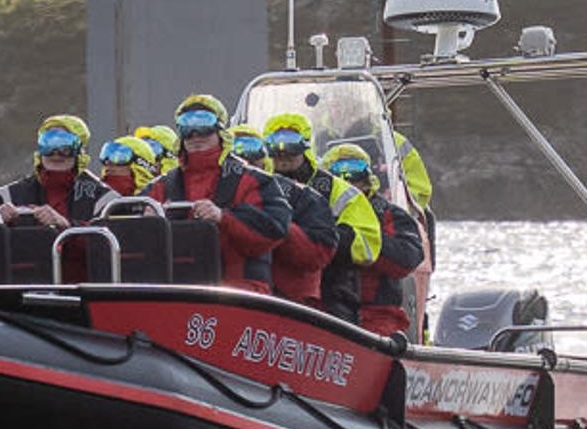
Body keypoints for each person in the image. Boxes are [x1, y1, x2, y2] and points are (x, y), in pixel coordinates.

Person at [145, 92, 292, 287]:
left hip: (241, 293)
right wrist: (146, 222)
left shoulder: (253, 180)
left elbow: (274, 228)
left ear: (220, 130)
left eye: (204, 124)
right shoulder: (161, 186)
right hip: (176, 290)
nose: (195, 134)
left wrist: (223, 217)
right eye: (186, 126)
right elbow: (124, 228)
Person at [317, 141, 429, 334]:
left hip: (375, 315)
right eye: (338, 171)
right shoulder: (315, 209)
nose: (348, 178)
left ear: (368, 176)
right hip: (322, 309)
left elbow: (408, 256)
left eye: (355, 170)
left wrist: (360, 242)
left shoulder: (389, 214)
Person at [252, 109, 343, 301]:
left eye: (292, 145)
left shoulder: (327, 189)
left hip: (325, 288)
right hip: (252, 292)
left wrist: (277, 225)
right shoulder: (250, 185)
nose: (283, 152)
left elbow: (324, 249)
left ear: (306, 147)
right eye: (274, 145)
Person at [0, 113, 106, 223]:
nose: (56, 153)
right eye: (48, 144)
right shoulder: (8, 195)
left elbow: (111, 233)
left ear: (79, 153)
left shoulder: (101, 197)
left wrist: (65, 225)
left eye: (66, 146)